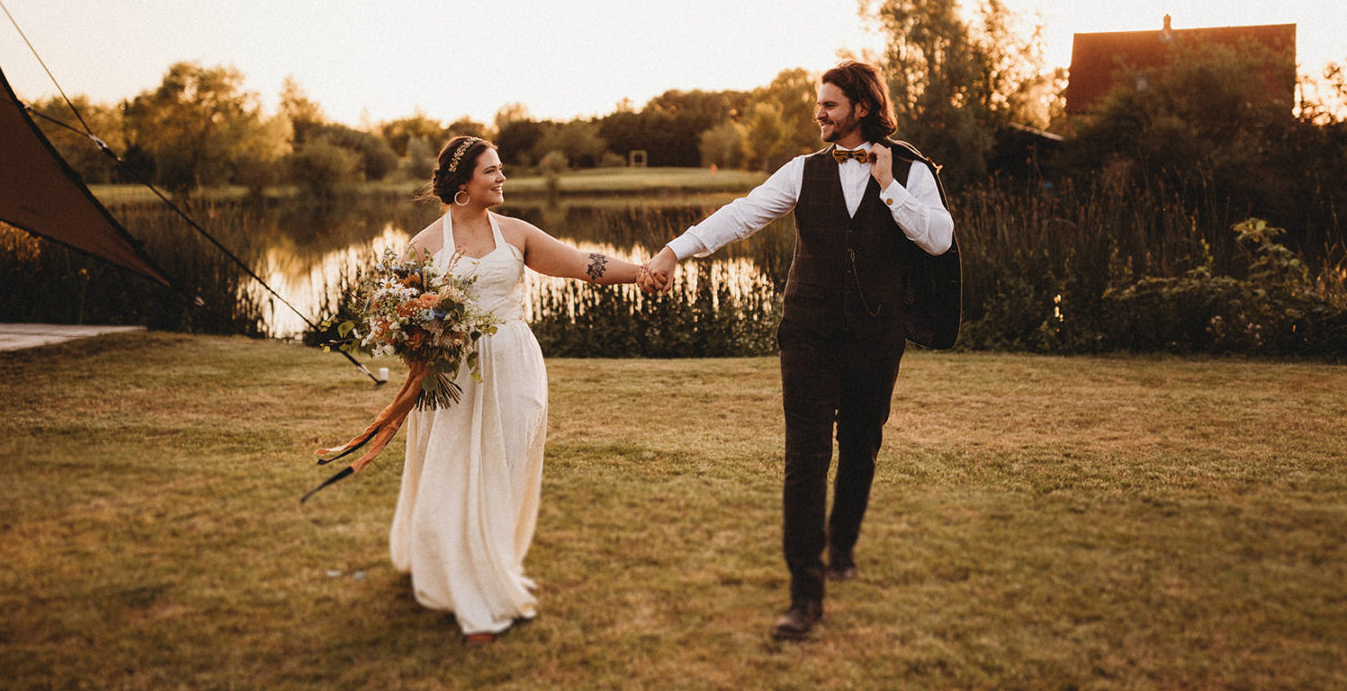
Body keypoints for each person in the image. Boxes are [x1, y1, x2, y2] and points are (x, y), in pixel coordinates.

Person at [642, 61, 958, 641]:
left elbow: (939, 239)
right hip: (808, 333)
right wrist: (675, 249)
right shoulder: (801, 171)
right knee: (804, 459)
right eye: (820, 103)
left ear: (861, 108)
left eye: (830, 104)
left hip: (875, 335)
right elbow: (741, 214)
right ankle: (804, 595)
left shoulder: (910, 171)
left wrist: (889, 187)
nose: (819, 113)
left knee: (860, 445)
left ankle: (842, 547)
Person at [392, 135, 649, 645]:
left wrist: (639, 272)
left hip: (513, 366)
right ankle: (469, 595)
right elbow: (399, 318)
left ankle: (491, 567)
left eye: (501, 169)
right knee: (451, 472)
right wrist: (416, 340)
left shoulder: (516, 233)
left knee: (502, 470)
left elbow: (583, 264)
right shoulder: (422, 247)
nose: (502, 178)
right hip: (454, 374)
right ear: (463, 183)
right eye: (492, 171)